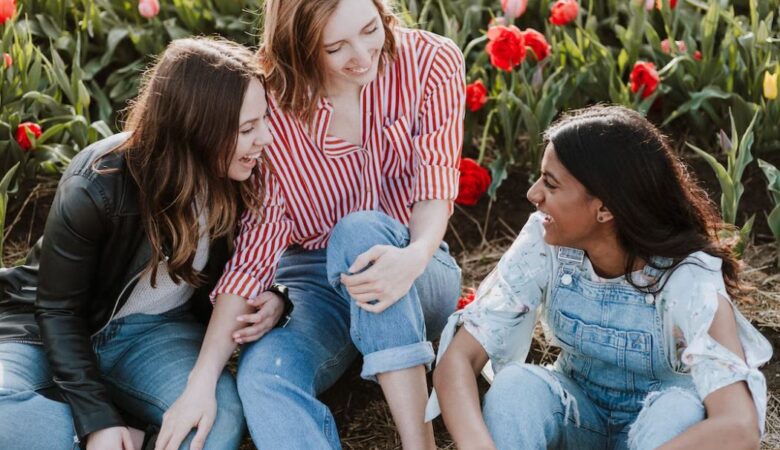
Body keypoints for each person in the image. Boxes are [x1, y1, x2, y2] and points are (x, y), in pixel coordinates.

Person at [158, 0, 465, 448]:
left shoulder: (432, 61)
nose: (362, 56)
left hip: (415, 264)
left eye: (369, 29)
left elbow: (435, 185)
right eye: (335, 46)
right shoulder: (273, 109)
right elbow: (255, 255)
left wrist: (413, 256)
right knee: (264, 376)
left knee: (358, 232)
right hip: (315, 283)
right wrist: (201, 383)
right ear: (297, 48)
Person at [430, 105, 772, 450]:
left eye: (550, 183)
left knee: (678, 408)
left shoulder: (688, 277)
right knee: (516, 386)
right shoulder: (545, 244)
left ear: (605, 208)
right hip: (578, 416)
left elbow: (738, 426)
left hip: (661, 436)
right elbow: (457, 361)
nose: (533, 194)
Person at [0, 36, 274, 450]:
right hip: (46, 328)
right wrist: (95, 423)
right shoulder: (97, 184)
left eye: (264, 120)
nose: (265, 138)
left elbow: (272, 252)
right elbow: (57, 310)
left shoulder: (245, 177)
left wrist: (278, 296)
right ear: (196, 129)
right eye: (248, 128)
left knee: (216, 423)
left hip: (154, 335)